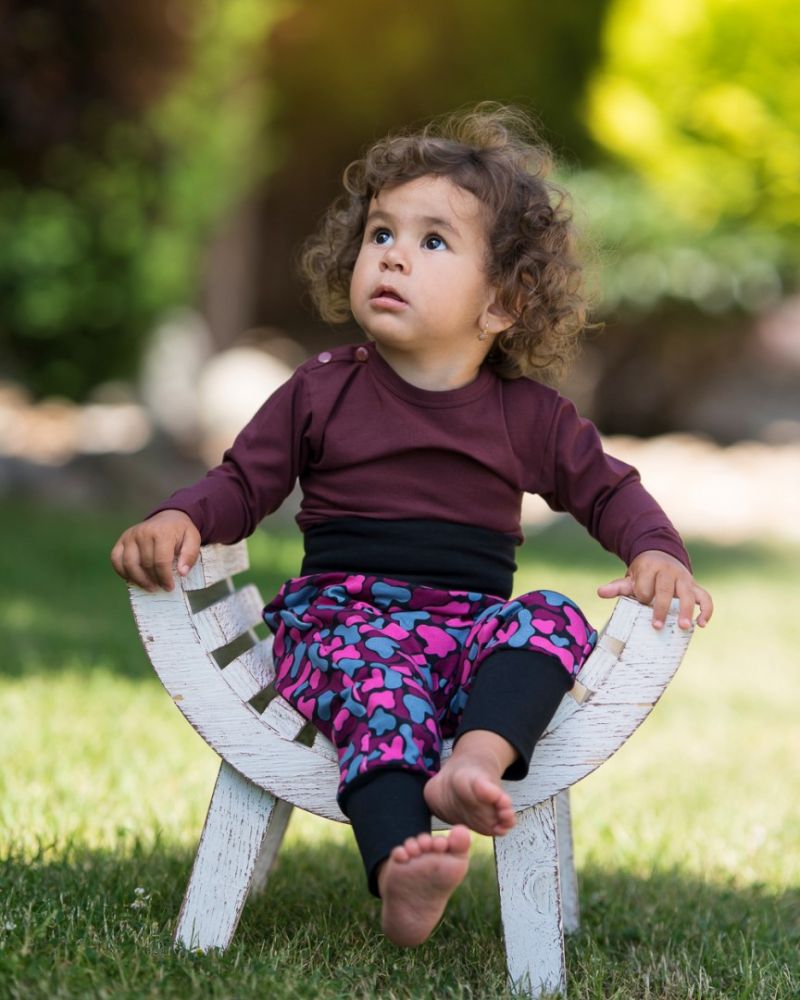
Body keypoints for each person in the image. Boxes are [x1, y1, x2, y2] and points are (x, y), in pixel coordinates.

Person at [112, 103, 713, 948]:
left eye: (433, 241)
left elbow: (610, 491)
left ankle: (475, 763)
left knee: (550, 618)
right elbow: (243, 483)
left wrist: (655, 551)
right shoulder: (321, 391)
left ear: (501, 302)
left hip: (467, 633)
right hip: (342, 625)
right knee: (380, 682)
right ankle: (401, 866)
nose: (392, 253)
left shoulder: (528, 417)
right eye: (381, 233)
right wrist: (179, 515)